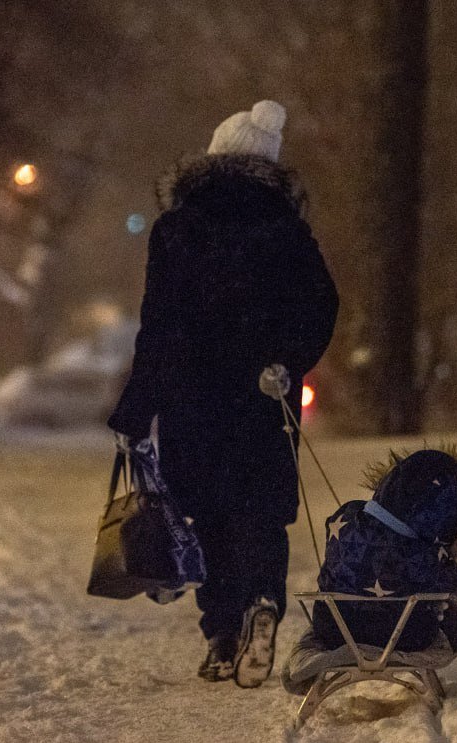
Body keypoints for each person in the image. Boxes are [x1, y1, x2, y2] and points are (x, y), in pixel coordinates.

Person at [108, 100, 339, 688]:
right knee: (260, 513)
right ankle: (263, 602)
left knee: (206, 513)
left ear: (211, 161)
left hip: (193, 397)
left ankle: (222, 633)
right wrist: (288, 361)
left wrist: (138, 406)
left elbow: (157, 325)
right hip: (265, 394)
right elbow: (321, 307)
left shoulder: (176, 232)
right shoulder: (286, 231)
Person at [281, 445, 457, 695]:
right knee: (453, 599)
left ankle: (320, 649)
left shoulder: (344, 519)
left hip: (335, 627)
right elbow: (449, 582)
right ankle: (438, 646)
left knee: (340, 588)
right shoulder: (423, 556)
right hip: (404, 634)